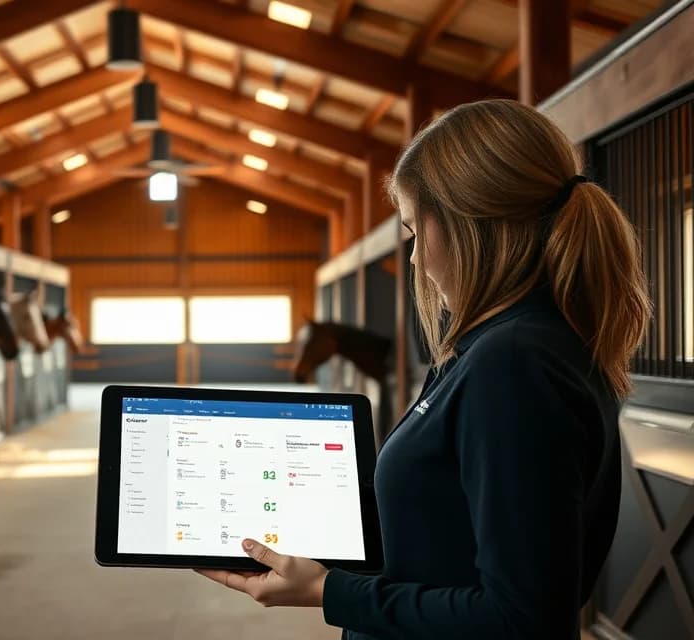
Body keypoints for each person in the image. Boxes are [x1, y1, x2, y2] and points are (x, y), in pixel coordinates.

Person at [195, 98, 651, 639]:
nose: (414, 261)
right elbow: (442, 543)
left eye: (414, 232)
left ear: (465, 223)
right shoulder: (497, 347)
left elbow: (521, 618)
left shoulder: (513, 363)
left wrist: (326, 592)